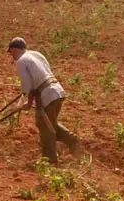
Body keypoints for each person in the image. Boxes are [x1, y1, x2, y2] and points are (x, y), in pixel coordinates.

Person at [7, 36, 80, 164]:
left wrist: (26, 102)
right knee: (49, 123)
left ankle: (50, 159)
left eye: (11, 52)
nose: (11, 56)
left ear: (15, 50)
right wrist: (29, 101)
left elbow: (27, 85)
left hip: (47, 94)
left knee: (44, 125)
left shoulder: (21, 61)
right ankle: (71, 140)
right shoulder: (36, 54)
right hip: (57, 91)